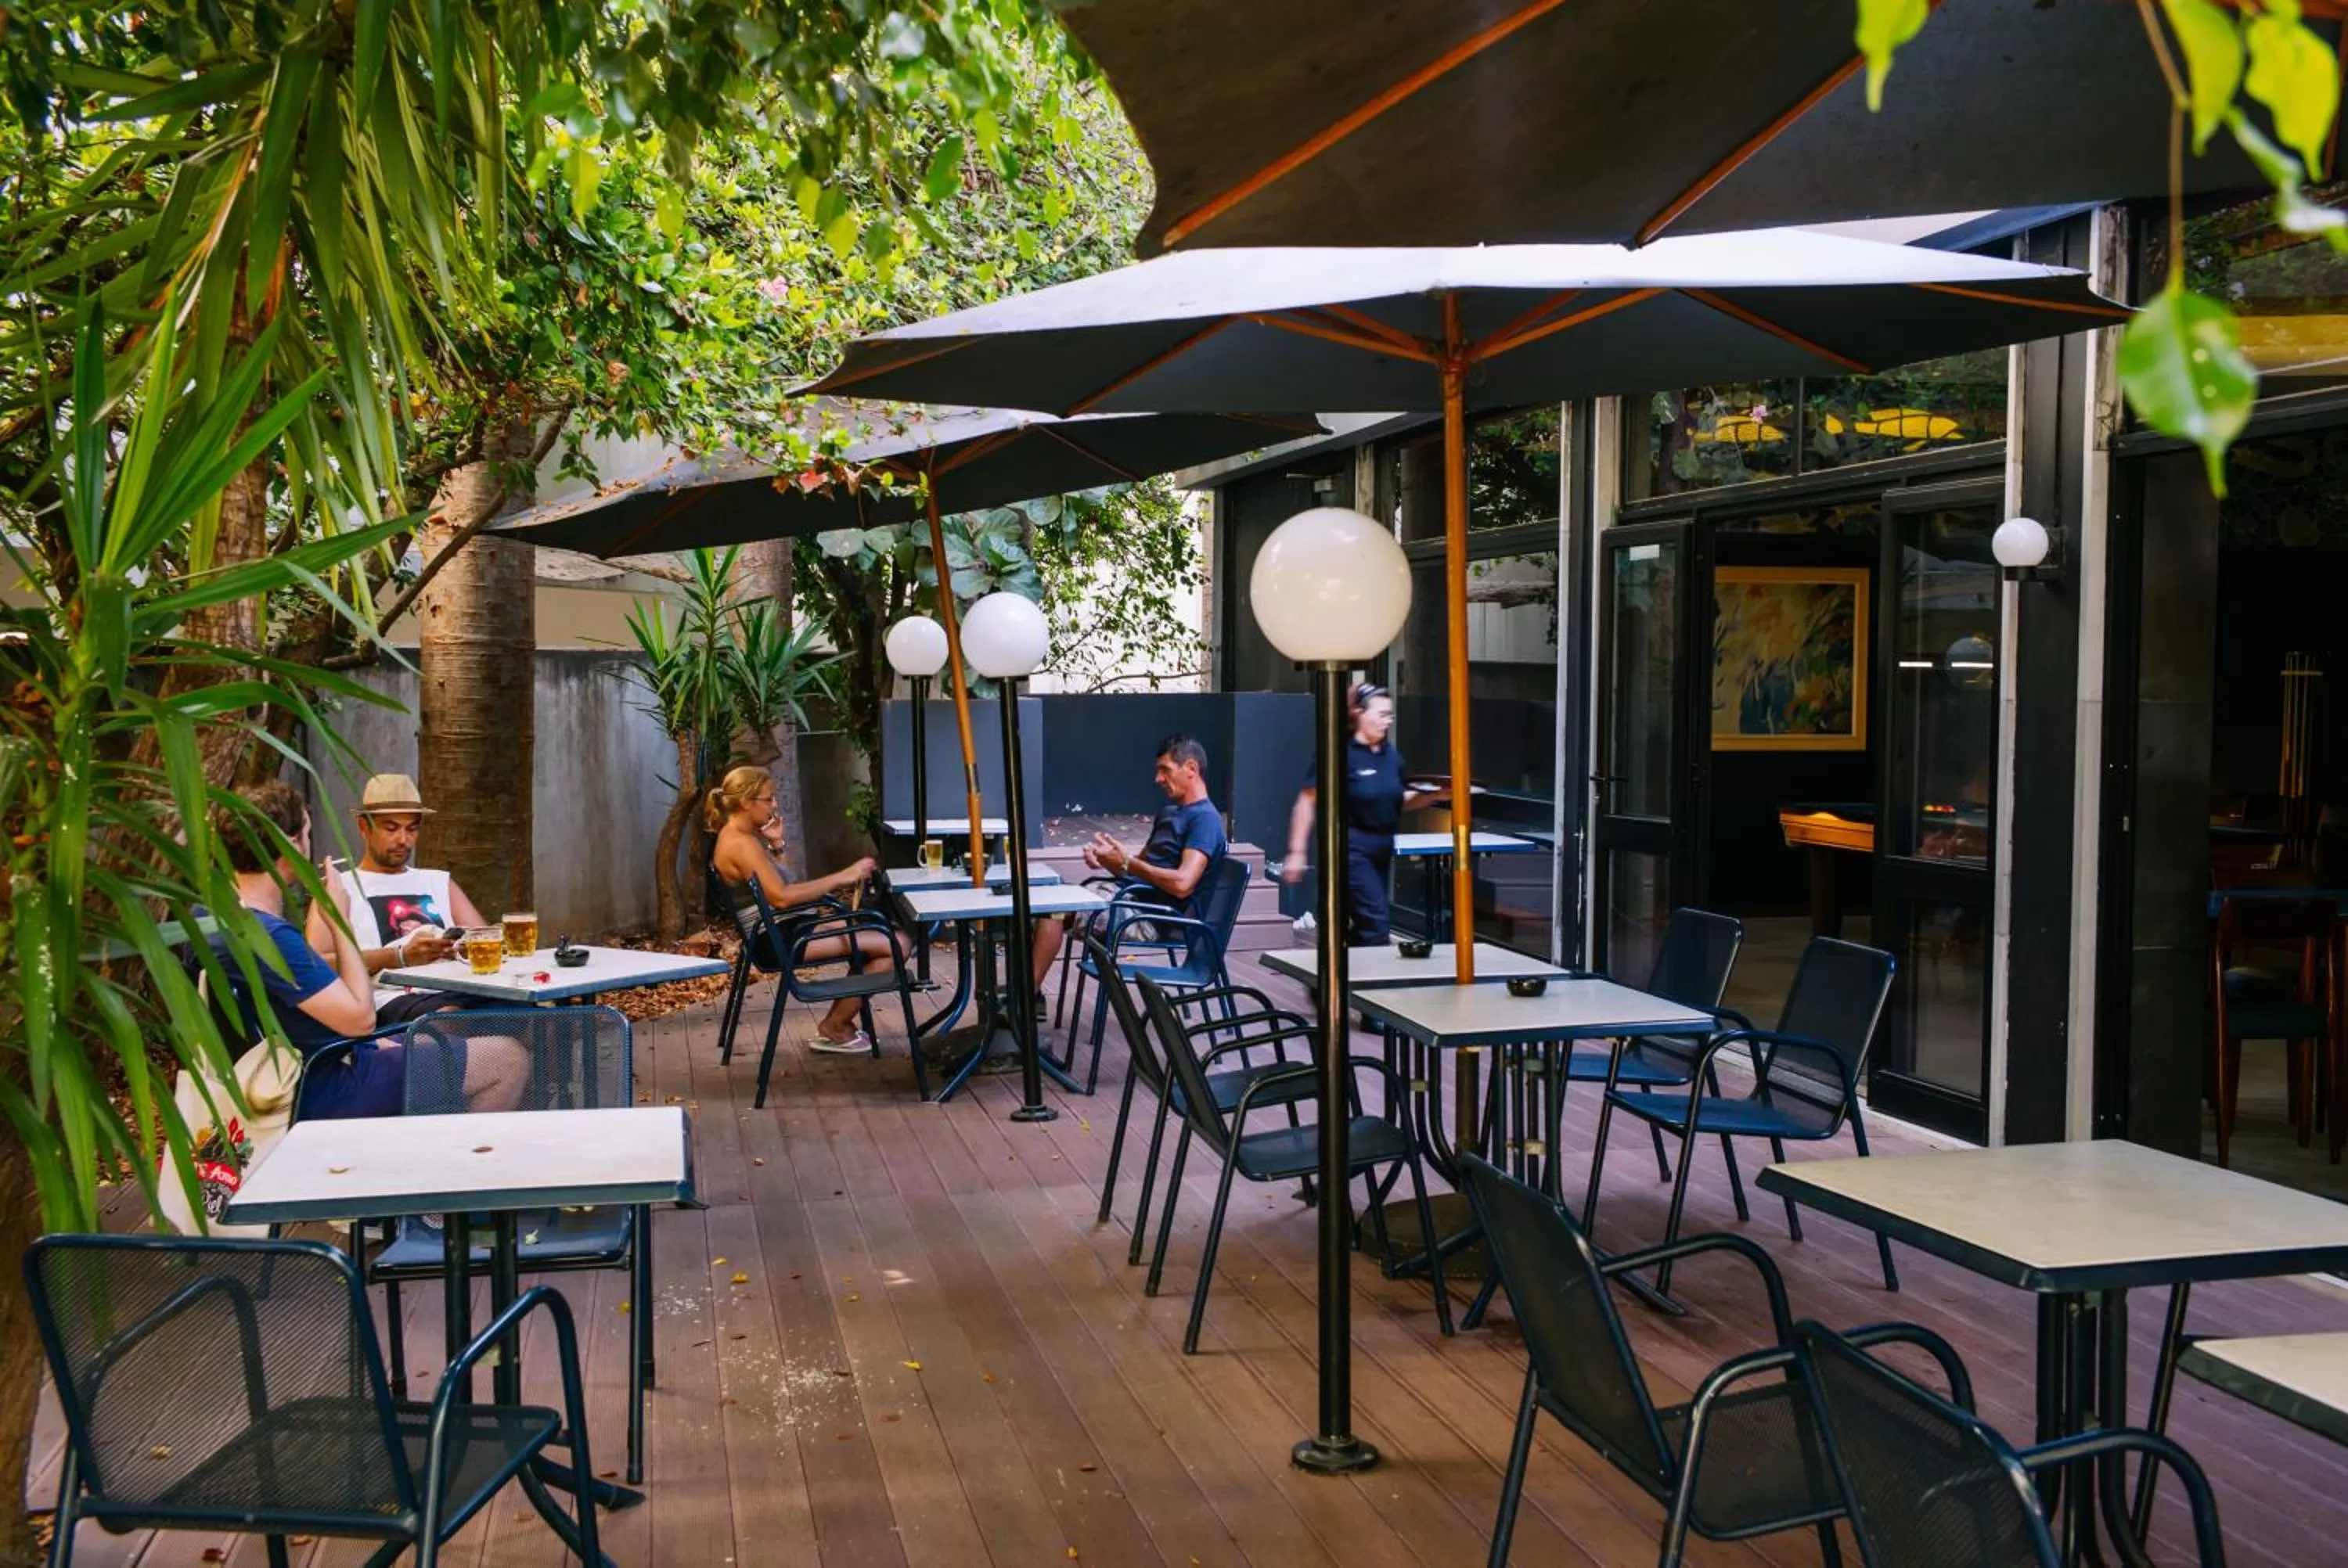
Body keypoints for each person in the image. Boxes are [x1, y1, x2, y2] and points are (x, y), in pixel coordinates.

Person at [207, 781, 526, 1120]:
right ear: (290, 846)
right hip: (327, 1082)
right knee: (507, 1059)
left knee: (425, 1041)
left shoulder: (215, 923)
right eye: (308, 834)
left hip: (314, 1062)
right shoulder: (272, 938)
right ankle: (455, 1168)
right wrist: (339, 920)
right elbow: (361, 1021)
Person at [705, 765, 909, 1053]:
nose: (774, 805)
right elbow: (783, 898)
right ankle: (835, 1025)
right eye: (769, 799)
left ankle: (838, 1023)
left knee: (885, 939)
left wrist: (777, 844)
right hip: (780, 940)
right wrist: (844, 875)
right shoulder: (741, 844)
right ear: (746, 802)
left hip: (784, 928)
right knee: (896, 944)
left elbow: (782, 886)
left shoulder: (740, 837)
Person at [1030, 734, 1229, 985]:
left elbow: (1182, 885)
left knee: (1053, 910)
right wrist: (1108, 860)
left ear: (1191, 768)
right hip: (1128, 899)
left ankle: (1027, 998)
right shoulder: (1169, 814)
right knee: (1039, 901)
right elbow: (1136, 871)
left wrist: (1128, 862)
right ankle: (1024, 994)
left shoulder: (1205, 821)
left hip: (1152, 918)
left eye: (1165, 770)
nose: (1158, 779)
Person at [312, 772, 492, 1030]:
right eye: (391, 828)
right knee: (448, 1019)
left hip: (458, 989)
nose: (403, 840)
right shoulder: (341, 887)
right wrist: (398, 956)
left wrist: (459, 947)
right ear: (364, 827)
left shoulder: (438, 881)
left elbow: (485, 939)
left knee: (540, 1017)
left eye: (412, 828)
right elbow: (316, 964)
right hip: (390, 998)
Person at [1283, 683, 1435, 945]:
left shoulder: (1392, 758)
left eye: (1390, 715)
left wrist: (1436, 795)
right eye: (1381, 714)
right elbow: (1307, 801)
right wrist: (1297, 852)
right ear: (1358, 714)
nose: (1387, 721)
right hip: (1351, 848)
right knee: (1375, 924)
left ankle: (1334, 980)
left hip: (1383, 847)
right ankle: (1359, 980)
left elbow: (1398, 801)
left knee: (1355, 924)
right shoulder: (1339, 754)